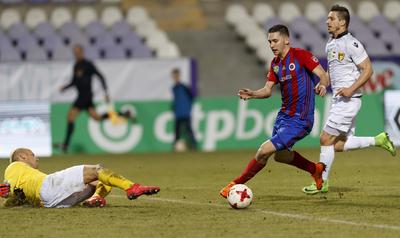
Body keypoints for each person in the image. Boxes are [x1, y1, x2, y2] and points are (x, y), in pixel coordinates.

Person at [219, 24, 330, 198]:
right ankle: (315, 169)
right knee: (281, 156)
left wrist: (322, 85)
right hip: (283, 118)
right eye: (269, 41)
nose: (271, 45)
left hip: (301, 119)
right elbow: (268, 90)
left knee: (263, 151)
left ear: (286, 40)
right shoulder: (275, 64)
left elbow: (323, 75)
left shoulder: (301, 55)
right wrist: (254, 94)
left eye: (275, 41)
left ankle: (235, 184)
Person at [302, 5, 396, 195]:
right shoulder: (330, 43)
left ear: (342, 22)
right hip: (340, 100)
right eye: (327, 19)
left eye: (332, 19)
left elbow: (368, 69)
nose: (327, 22)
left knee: (325, 138)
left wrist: (350, 89)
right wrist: (323, 83)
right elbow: (333, 69)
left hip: (349, 99)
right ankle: (378, 140)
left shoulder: (352, 43)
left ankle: (322, 182)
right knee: (336, 144)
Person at [0, 148, 160, 208]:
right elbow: (7, 185)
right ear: (22, 156)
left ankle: (95, 199)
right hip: (47, 185)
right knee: (98, 169)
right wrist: (5, 190)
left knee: (101, 181)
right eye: (32, 155)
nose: (37, 158)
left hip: (49, 203)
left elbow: (13, 196)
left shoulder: (21, 179)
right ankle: (132, 187)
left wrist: (8, 195)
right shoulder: (14, 166)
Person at [56, 44, 133, 153]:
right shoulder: (76, 65)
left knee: (70, 117)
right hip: (83, 96)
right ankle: (123, 114)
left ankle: (65, 144)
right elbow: (74, 82)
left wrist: (105, 92)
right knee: (96, 117)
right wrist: (65, 87)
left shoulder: (88, 64)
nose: (76, 54)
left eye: (78, 52)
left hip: (85, 96)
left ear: (82, 52)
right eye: (75, 53)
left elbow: (100, 76)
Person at [171, 68, 197, 151]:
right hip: (178, 113)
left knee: (188, 130)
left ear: (179, 75)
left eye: (176, 75)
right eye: (174, 76)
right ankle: (175, 147)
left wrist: (188, 107)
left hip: (185, 112)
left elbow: (192, 97)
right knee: (177, 131)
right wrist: (174, 108)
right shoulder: (174, 88)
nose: (175, 77)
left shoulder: (184, 87)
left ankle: (193, 146)